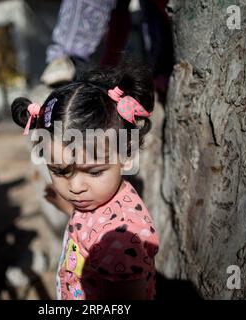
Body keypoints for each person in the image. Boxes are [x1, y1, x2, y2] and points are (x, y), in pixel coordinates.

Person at [11, 61, 159, 299]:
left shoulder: (123, 240)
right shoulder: (99, 202)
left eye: (94, 172)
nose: (76, 187)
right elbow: (91, 227)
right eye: (60, 171)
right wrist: (68, 209)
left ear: (127, 154)